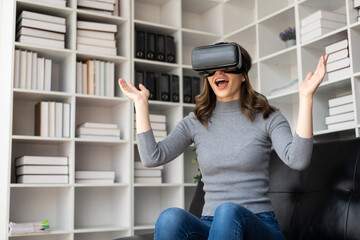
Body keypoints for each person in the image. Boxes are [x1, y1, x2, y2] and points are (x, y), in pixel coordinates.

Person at [118, 42, 328, 240]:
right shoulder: (195, 121)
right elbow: (152, 157)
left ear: (243, 75)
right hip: (211, 226)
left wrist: (306, 98)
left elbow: (298, 160)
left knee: (227, 211)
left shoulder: (268, 117)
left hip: (258, 224)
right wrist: (141, 104)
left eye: (226, 67)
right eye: (213, 68)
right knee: (170, 218)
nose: (219, 73)